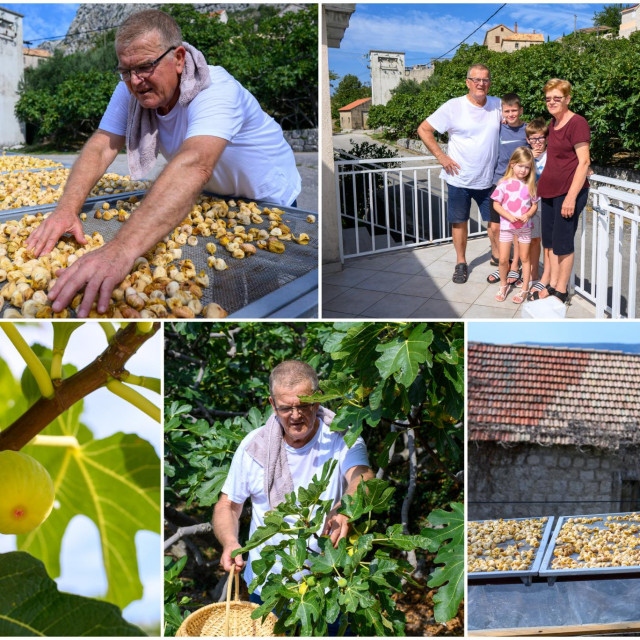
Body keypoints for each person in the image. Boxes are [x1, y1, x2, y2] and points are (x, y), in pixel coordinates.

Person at [26, 9, 301, 317]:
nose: (135, 81)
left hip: (270, 200)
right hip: (214, 199)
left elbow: (194, 163)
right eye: (125, 71)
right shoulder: (129, 89)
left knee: (264, 295)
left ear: (179, 58)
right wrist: (66, 209)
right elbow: (102, 146)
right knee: (225, 286)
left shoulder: (216, 88)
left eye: (145, 67)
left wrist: (119, 250)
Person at [213, 360, 374, 602]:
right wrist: (230, 542)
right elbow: (228, 505)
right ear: (272, 405)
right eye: (286, 408)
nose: (296, 416)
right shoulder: (253, 447)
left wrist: (345, 509)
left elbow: (362, 476)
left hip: (330, 582)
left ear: (318, 399)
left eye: (304, 406)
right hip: (268, 586)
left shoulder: (342, 436)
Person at [417, 63, 501, 284]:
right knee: (459, 222)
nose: (481, 84)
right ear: (468, 82)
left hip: (489, 179)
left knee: (495, 224)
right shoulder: (453, 106)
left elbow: (516, 127)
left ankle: (498, 258)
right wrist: (441, 157)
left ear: (489, 83)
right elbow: (424, 129)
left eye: (485, 80)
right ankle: (461, 263)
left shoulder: (498, 105)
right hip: (459, 179)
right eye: (476, 79)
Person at [531, 78, 590, 303]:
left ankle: (561, 290)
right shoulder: (553, 123)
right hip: (549, 192)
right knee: (552, 243)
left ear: (567, 99)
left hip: (568, 193)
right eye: (548, 99)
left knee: (563, 243)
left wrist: (571, 198)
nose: (552, 102)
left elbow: (583, 162)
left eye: (557, 98)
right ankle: (553, 284)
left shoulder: (578, 123)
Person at [486, 93, 529, 287]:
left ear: (520, 110)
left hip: (520, 187)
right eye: (507, 111)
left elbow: (538, 149)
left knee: (517, 229)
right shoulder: (497, 128)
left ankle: (514, 267)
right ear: (502, 112)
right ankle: (501, 262)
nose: (511, 114)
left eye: (514, 110)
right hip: (499, 183)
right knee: (496, 227)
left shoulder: (527, 130)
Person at [490, 147, 539, 304]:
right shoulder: (503, 184)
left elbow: (534, 205)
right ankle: (503, 285)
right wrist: (510, 217)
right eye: (520, 166)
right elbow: (496, 205)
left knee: (525, 258)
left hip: (524, 228)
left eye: (527, 167)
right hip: (506, 226)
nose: (523, 170)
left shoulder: (530, 185)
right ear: (512, 164)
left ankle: (524, 288)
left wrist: (528, 215)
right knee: (503, 259)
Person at [524, 118, 548, 298]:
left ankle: (545, 277)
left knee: (546, 242)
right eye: (533, 139)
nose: (537, 142)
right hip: (529, 204)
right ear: (528, 140)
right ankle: (532, 274)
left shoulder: (552, 155)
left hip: (546, 203)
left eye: (540, 138)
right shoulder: (526, 156)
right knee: (532, 240)